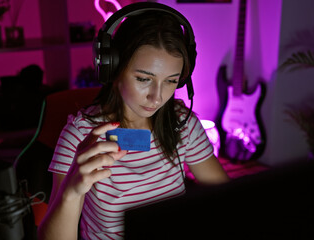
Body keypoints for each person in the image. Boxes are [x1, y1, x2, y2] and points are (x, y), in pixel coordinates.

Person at [37, 2, 229, 240]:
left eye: (170, 81)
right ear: (112, 69)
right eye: (143, 79)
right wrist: (71, 192)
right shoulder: (82, 135)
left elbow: (226, 201)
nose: (157, 97)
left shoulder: (182, 123)